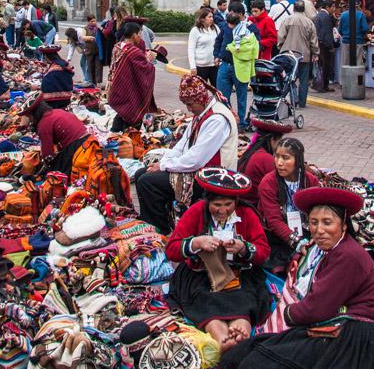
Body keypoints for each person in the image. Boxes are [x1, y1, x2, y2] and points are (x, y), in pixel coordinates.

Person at [219, 187, 374, 369]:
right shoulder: (323, 251)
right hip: (331, 325)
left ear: (343, 225)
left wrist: (288, 313)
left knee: (258, 367)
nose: (319, 230)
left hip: (353, 337)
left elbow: (317, 308)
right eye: (314, 222)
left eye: (327, 223)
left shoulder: (348, 256)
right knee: (248, 353)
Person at [166, 168, 271, 353]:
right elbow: (172, 249)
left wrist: (243, 248)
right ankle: (222, 338)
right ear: (207, 202)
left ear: (236, 202)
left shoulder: (246, 214)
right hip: (200, 275)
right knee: (206, 300)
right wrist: (196, 242)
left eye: (228, 204)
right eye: (217, 205)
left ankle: (240, 331)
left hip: (240, 275)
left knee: (245, 299)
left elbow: (264, 252)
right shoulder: (196, 211)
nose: (223, 210)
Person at [135, 74, 238, 234]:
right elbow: (182, 146)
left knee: (148, 183)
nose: (188, 109)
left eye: (190, 104)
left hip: (211, 177)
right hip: (198, 168)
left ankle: (160, 230)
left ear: (201, 99)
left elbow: (196, 159)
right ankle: (154, 221)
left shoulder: (217, 119)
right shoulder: (202, 114)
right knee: (142, 173)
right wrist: (163, 162)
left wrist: (164, 166)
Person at [257, 136, 316, 274]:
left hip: (304, 231)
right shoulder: (268, 183)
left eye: (286, 158)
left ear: (298, 160)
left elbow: (317, 211)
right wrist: (297, 242)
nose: (279, 162)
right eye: (276, 156)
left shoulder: (310, 181)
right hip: (276, 237)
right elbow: (274, 221)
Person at [107, 21, 157, 131]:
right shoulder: (133, 51)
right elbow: (145, 69)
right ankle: (129, 139)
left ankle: (114, 133)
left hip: (117, 87)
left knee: (122, 113)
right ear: (134, 35)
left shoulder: (118, 46)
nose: (140, 37)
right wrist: (149, 59)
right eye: (139, 34)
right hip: (128, 91)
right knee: (131, 113)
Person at [237, 117, 294, 205]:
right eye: (279, 142)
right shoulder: (266, 159)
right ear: (272, 140)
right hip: (256, 206)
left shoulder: (252, 152)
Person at [219, 10, 260, 130]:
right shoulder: (225, 28)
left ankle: (241, 122)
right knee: (222, 96)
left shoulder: (250, 28)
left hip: (241, 67)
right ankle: (227, 119)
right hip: (225, 65)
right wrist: (217, 54)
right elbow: (218, 41)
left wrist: (238, 50)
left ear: (241, 16)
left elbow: (255, 45)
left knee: (241, 97)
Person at [277, 0, 319, 108]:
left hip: (288, 55)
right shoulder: (309, 22)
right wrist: (315, 53)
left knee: (289, 78)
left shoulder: (287, 20)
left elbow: (281, 36)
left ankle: (293, 99)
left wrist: (281, 47)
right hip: (303, 55)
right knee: (304, 80)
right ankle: (302, 102)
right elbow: (313, 41)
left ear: (293, 8)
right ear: (304, 9)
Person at [188, 7, 220, 86]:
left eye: (212, 17)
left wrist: (219, 58)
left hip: (214, 66)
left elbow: (220, 44)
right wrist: (192, 67)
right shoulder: (195, 30)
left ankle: (215, 99)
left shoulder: (215, 28)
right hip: (200, 67)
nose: (212, 19)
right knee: (201, 92)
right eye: (209, 17)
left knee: (218, 91)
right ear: (202, 19)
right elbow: (191, 49)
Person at [39, 44, 75, 110]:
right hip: (67, 99)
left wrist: (39, 88)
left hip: (55, 102)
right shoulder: (63, 64)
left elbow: (47, 86)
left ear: (47, 56)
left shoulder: (54, 70)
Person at [313, 0, 337, 92]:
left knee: (321, 65)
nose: (334, 9)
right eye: (333, 7)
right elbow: (327, 33)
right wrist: (330, 46)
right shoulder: (325, 17)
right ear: (327, 7)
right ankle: (322, 85)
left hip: (319, 44)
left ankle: (322, 85)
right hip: (324, 46)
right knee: (325, 66)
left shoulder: (319, 15)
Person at [337, 2, 369, 66]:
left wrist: (345, 35)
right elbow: (365, 28)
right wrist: (361, 35)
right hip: (358, 41)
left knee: (345, 63)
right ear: (358, 6)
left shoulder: (343, 15)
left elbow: (339, 30)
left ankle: (345, 76)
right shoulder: (361, 14)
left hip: (346, 41)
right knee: (358, 62)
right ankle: (356, 76)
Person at [84, 14, 104, 86]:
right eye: (92, 21)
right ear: (88, 22)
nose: (94, 22)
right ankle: (92, 82)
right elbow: (82, 38)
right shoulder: (85, 29)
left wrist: (100, 28)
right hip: (89, 50)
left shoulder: (98, 28)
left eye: (95, 21)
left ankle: (98, 82)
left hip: (98, 50)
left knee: (98, 67)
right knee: (90, 66)